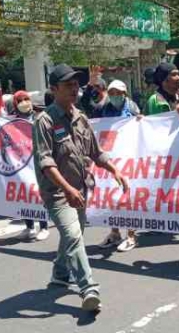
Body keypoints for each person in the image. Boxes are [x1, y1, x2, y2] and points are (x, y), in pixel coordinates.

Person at [33, 64, 129, 312]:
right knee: (74, 236)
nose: (74, 89)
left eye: (76, 84)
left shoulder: (81, 118)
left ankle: (60, 274)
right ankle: (89, 288)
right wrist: (66, 189)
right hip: (57, 193)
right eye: (68, 85)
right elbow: (46, 162)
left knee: (73, 235)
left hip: (80, 190)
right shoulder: (44, 121)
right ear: (54, 89)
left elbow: (96, 153)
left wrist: (115, 170)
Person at [94, 79, 140, 252]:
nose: (114, 96)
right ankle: (114, 233)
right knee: (110, 195)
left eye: (118, 93)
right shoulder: (104, 108)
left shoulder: (132, 108)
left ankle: (131, 235)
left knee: (128, 197)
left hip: (130, 157)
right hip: (112, 158)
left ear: (124, 94)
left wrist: (140, 120)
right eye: (111, 93)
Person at [11, 91, 49, 242]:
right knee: (25, 194)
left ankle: (44, 227)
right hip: (21, 161)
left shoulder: (38, 117)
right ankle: (29, 226)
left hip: (37, 160)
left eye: (27, 99)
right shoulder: (12, 121)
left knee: (37, 194)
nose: (24, 102)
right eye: (20, 100)